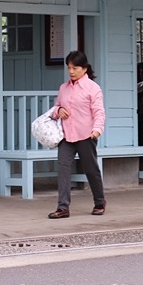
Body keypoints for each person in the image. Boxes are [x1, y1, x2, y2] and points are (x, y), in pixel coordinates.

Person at [48, 50, 107, 219]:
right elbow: (55, 109)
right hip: (66, 136)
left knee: (91, 170)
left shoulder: (93, 88)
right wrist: (59, 110)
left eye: (75, 68)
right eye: (69, 68)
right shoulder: (63, 88)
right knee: (63, 169)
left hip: (86, 135)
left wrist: (97, 130)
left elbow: (99, 112)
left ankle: (99, 202)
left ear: (85, 68)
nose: (71, 71)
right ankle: (63, 207)